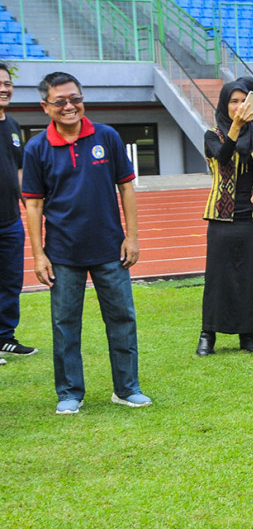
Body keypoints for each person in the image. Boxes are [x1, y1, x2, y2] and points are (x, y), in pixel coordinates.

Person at [22, 71, 151, 414]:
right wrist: (38, 255)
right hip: (62, 253)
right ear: (45, 106)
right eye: (60, 101)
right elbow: (33, 204)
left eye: (75, 99)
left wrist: (132, 237)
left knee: (122, 318)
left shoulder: (106, 136)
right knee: (65, 325)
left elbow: (125, 186)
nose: (70, 107)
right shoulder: (37, 148)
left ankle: (126, 388)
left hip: (110, 248)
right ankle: (69, 393)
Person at [195, 78, 253, 356]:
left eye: (244, 101)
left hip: (252, 216)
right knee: (219, 277)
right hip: (222, 216)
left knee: (252, 277)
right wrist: (236, 127)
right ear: (223, 104)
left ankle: (248, 334)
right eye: (233, 101)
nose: (239, 106)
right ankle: (208, 335)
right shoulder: (212, 134)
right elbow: (223, 157)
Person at [0, 62, 37, 363]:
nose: (4, 88)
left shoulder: (12, 126)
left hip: (10, 221)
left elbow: (20, 169)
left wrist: (32, 207)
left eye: (7, 83)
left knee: (11, 280)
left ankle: (4, 337)